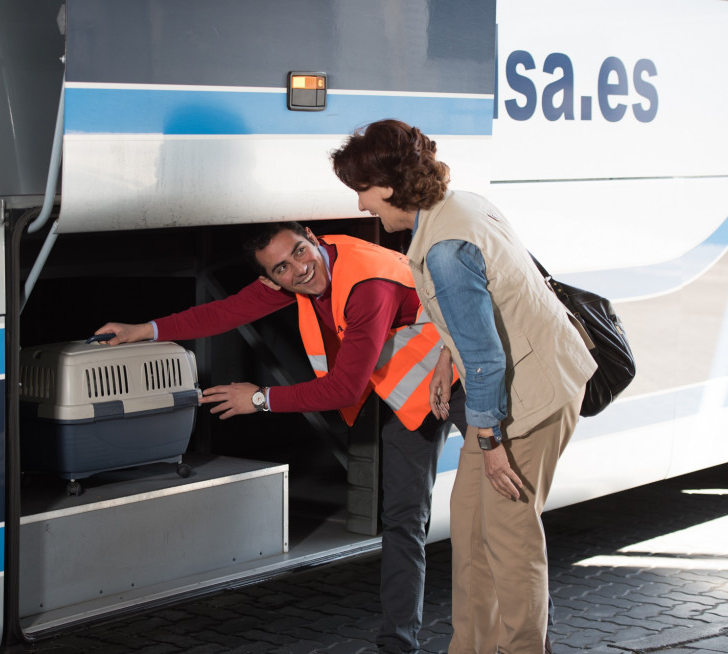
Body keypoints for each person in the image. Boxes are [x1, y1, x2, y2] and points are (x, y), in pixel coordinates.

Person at [95, 221, 465, 653]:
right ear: (269, 279)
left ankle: (530, 637)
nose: (299, 270)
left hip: (465, 379)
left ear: (312, 237)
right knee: (404, 523)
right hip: (413, 398)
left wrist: (259, 399)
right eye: (282, 269)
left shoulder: (367, 284)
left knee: (497, 517)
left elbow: (344, 389)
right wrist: (143, 330)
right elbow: (223, 312)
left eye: (300, 252)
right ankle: (397, 646)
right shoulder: (290, 280)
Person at [331, 119, 597, 654]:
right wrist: (443, 361)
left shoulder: (445, 248)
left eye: (362, 190)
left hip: (531, 398)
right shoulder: (459, 206)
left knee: (509, 537)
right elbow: (483, 311)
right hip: (515, 386)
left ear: (386, 185)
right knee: (473, 534)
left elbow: (487, 356)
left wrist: (491, 442)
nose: (361, 205)